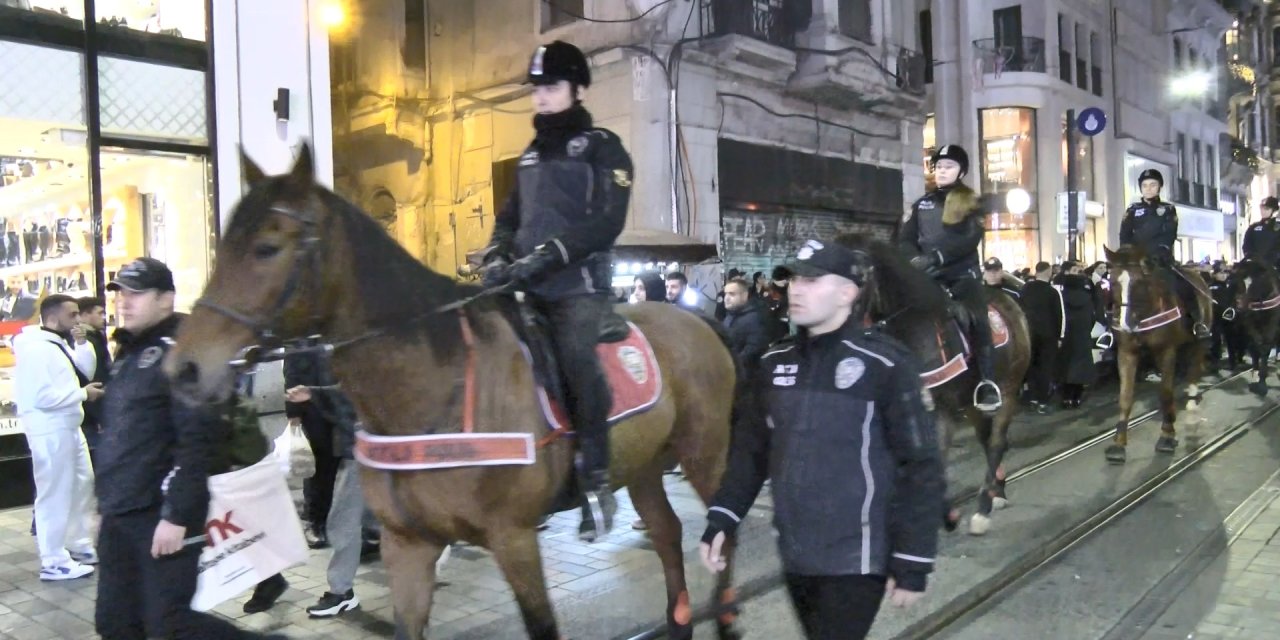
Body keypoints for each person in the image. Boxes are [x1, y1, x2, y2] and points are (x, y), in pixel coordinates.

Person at [699, 240, 945, 640]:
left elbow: (921, 466)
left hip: (858, 558)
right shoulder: (773, 364)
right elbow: (751, 451)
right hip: (797, 552)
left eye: (812, 280)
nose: (796, 288)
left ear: (847, 293)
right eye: (795, 278)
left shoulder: (886, 365)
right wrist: (723, 516)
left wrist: (913, 559)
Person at [480, 40, 633, 542]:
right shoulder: (528, 156)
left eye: (551, 88)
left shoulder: (602, 147)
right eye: (537, 89)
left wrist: (550, 255)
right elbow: (508, 218)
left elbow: (606, 223)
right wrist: (498, 253)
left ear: (578, 88)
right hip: (524, 284)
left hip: (577, 288)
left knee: (575, 361)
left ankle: (596, 480)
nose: (540, 98)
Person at [94, 257, 280, 640]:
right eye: (121, 294)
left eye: (137, 293)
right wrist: (101, 506)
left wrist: (177, 514)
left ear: (166, 299)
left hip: (158, 513)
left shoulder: (183, 352)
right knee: (116, 624)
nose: (124, 302)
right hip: (119, 513)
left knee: (170, 624)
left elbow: (197, 441)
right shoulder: (130, 352)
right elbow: (123, 436)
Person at [899, 144, 1002, 411]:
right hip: (927, 276)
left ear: (961, 171)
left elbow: (968, 240)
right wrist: (913, 260)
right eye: (939, 166)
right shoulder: (921, 204)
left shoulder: (971, 202)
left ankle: (987, 382)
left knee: (978, 318)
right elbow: (906, 239)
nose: (942, 171)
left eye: (949, 167)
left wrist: (935, 258)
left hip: (960, 275)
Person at [14, 294, 101, 581]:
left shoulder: (55, 343)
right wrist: (82, 394)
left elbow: (83, 371)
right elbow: (41, 396)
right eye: (73, 314)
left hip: (68, 426)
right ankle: (53, 559)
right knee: (55, 492)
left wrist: (80, 344)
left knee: (81, 483)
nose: (79, 320)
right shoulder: (37, 349)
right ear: (53, 317)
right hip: (50, 430)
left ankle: (77, 544)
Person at [1119, 168, 1210, 338]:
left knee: (1183, 285)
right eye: (1145, 185)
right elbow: (1124, 234)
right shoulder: (1132, 210)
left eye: (1153, 185)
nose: (1148, 188)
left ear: (1159, 187)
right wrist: (1127, 252)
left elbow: (1169, 234)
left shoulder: (1167, 209)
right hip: (1136, 261)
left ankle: (1197, 322)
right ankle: (1114, 329)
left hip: (1160, 260)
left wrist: (1160, 251)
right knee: (1119, 287)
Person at [1018, 262, 1065, 414]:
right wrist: (1059, 336)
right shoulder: (1052, 292)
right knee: (1045, 367)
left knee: (1032, 366)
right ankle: (1042, 401)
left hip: (1029, 333)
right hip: (1048, 334)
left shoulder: (1025, 288)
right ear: (1049, 272)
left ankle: (1032, 397)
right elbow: (1059, 315)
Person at [77, 296, 111, 461]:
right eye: (100, 313)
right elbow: (95, 379)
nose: (103, 317)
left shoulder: (95, 338)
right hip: (92, 413)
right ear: (84, 315)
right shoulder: (88, 342)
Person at [721, 277, 769, 376]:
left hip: (746, 376)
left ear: (744, 296)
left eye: (732, 294)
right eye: (725, 293)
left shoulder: (754, 318)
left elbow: (753, 349)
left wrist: (733, 364)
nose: (726, 298)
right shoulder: (730, 316)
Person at [1242, 196, 1280, 267]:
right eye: (1261, 208)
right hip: (1255, 264)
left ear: (1274, 211)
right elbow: (1247, 244)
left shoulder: (1278, 228)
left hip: (1274, 266)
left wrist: (1269, 259)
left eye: (1266, 209)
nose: (1263, 211)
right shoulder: (1253, 227)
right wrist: (1250, 256)